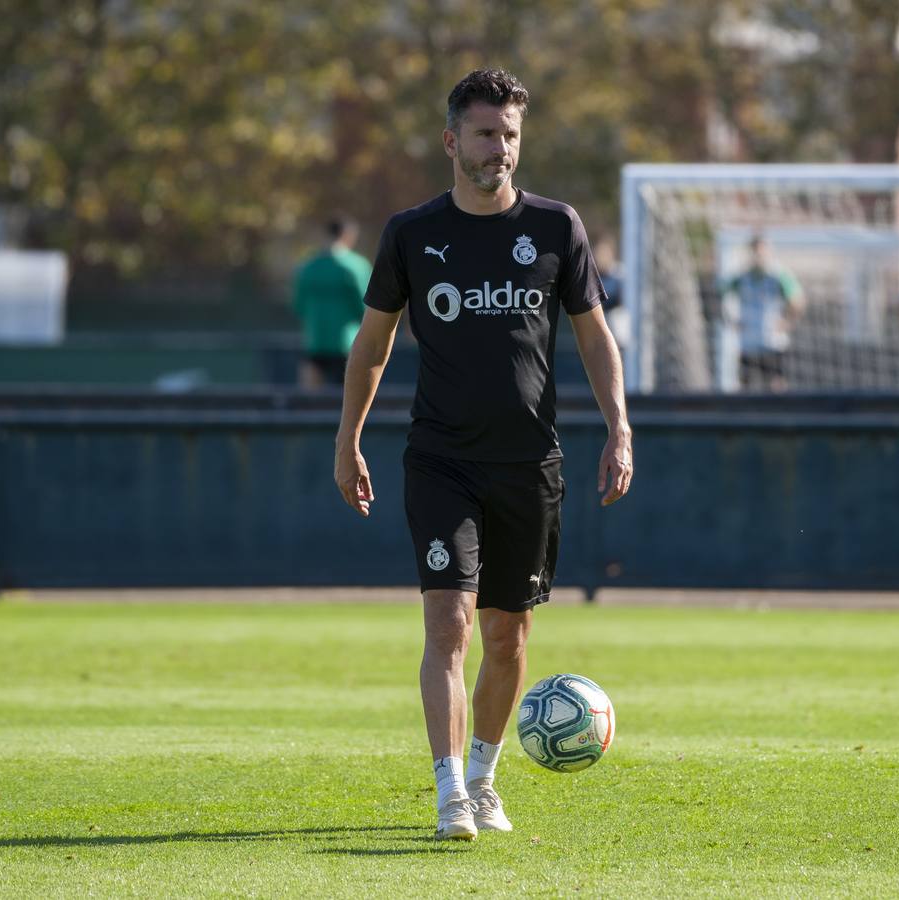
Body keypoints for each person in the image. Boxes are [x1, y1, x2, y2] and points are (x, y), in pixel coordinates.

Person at [332, 69, 632, 842]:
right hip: (440, 461)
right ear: (451, 141)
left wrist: (620, 429)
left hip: (529, 465)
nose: (499, 148)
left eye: (510, 135)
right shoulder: (410, 233)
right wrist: (348, 437)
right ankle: (447, 797)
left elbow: (596, 337)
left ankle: (484, 779)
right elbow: (373, 341)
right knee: (449, 627)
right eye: (485, 133)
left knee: (508, 637)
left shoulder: (558, 228)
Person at [292, 215, 372, 389]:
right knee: (347, 402)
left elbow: (298, 305)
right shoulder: (356, 266)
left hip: (315, 340)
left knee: (311, 401)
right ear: (348, 235)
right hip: (348, 343)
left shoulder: (308, 267)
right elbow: (367, 307)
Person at [723, 235, 805, 392]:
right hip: (748, 343)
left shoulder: (777, 275)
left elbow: (798, 300)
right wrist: (731, 321)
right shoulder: (742, 277)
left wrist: (787, 321)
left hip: (772, 342)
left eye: (762, 252)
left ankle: (778, 415)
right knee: (745, 386)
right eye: (755, 252)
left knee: (775, 385)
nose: (758, 256)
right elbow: (718, 294)